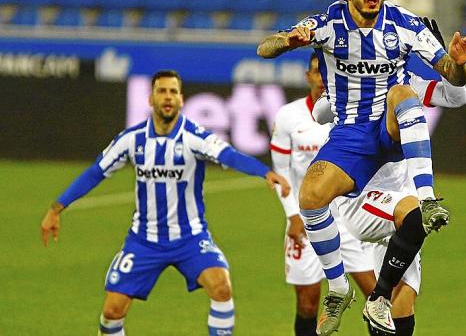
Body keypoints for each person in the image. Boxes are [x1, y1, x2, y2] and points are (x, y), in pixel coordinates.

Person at [258, 0, 466, 334]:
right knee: (310, 196)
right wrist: (286, 40)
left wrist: (459, 63)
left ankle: (426, 202)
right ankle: (340, 288)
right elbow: (265, 49)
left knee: (401, 93)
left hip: (391, 137)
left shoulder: (405, 26)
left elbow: (453, 79)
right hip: (353, 142)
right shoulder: (329, 24)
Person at [40, 70, 290, 336]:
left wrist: (264, 171)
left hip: (190, 237)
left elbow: (229, 155)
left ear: (182, 100)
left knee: (221, 286)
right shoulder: (131, 139)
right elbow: (95, 172)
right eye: (162, 91)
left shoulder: (194, 137)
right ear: (150, 98)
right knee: (112, 312)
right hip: (144, 240)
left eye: (173, 92)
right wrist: (56, 208)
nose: (168, 97)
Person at [313, 18, 466, 335]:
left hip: (399, 195)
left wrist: (448, 64)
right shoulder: (348, 90)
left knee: (405, 301)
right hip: (363, 197)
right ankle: (377, 296)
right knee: (415, 218)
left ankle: (380, 300)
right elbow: (320, 112)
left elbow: (457, 97)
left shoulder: (408, 85)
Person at [270, 53, 379, 335]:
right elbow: (280, 173)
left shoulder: (356, 113)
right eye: (317, 72)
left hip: (351, 220)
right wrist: (293, 215)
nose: (322, 78)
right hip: (307, 221)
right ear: (308, 76)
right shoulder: (287, 116)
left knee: (377, 297)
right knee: (308, 303)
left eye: (327, 72)